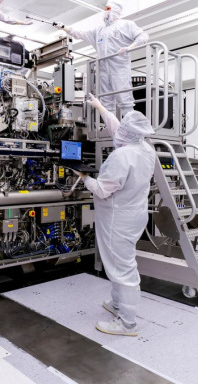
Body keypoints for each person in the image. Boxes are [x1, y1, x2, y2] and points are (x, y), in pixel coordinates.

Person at [74, 94, 155, 336]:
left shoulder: (121, 157)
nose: (118, 130)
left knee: (123, 268)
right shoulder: (145, 148)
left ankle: (127, 323)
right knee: (120, 263)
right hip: (134, 214)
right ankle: (117, 304)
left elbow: (101, 189)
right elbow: (118, 128)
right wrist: (100, 106)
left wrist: (84, 178)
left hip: (117, 220)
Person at [55, 0, 148, 114]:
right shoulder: (99, 30)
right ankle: (108, 128)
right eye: (105, 9)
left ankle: (129, 127)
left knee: (125, 101)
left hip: (120, 69)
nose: (105, 12)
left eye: (108, 9)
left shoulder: (126, 25)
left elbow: (143, 36)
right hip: (103, 71)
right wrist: (64, 27)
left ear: (116, 10)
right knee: (106, 102)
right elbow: (80, 33)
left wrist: (129, 47)